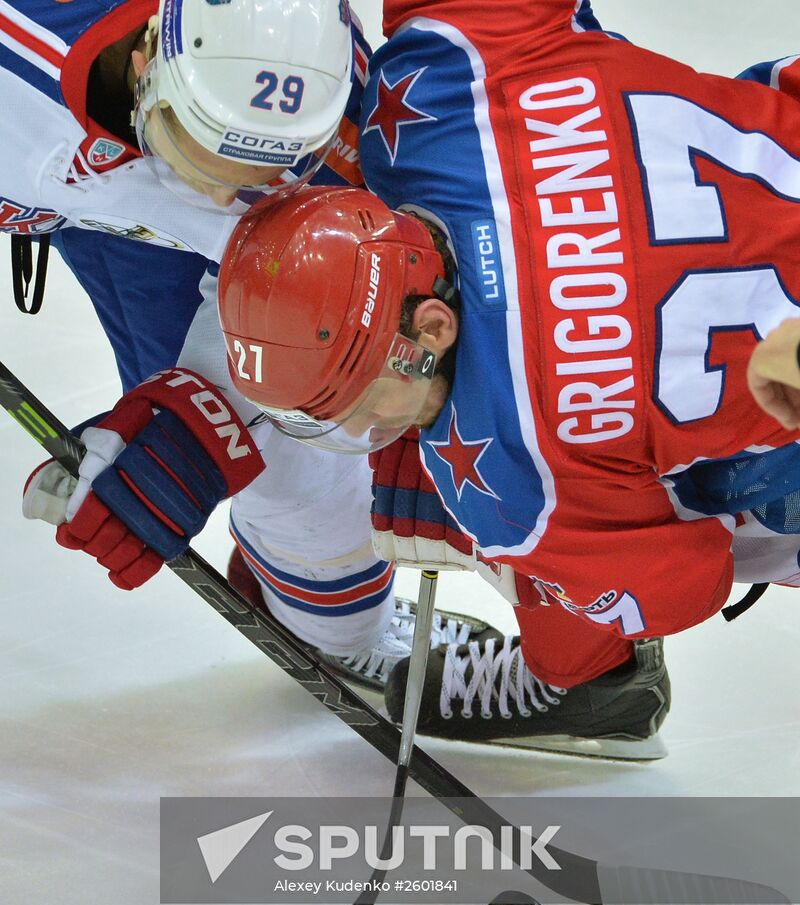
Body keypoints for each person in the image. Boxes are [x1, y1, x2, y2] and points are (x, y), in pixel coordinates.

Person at [215, 2, 800, 755]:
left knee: (662, 512)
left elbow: (685, 582)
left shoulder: (511, 478)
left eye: (352, 402)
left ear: (432, 330)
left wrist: (519, 545)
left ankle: (582, 688)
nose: (356, 434)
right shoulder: (442, 76)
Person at [10, 0, 496, 693]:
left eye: (272, 164)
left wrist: (203, 422)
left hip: (129, 160)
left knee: (297, 421)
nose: (220, 196)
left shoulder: (317, 67)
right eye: (199, 159)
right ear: (146, 66)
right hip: (95, 177)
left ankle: (343, 631)